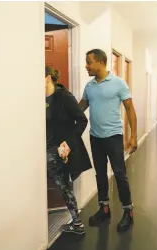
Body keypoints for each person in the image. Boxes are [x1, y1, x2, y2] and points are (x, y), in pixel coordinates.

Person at [79, 49, 138, 232]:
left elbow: (130, 109)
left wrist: (133, 136)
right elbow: (82, 106)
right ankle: (104, 208)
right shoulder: (89, 87)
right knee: (100, 174)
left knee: (120, 175)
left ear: (101, 62)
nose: (86, 66)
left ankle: (128, 212)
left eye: (89, 62)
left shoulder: (118, 83)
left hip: (113, 137)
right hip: (95, 137)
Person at [45, 65, 92, 235]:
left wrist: (68, 144)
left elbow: (82, 120)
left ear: (47, 78)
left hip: (60, 149)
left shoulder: (64, 97)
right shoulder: (38, 97)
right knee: (61, 185)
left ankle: (77, 223)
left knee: (62, 184)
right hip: (44, 147)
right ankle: (77, 223)